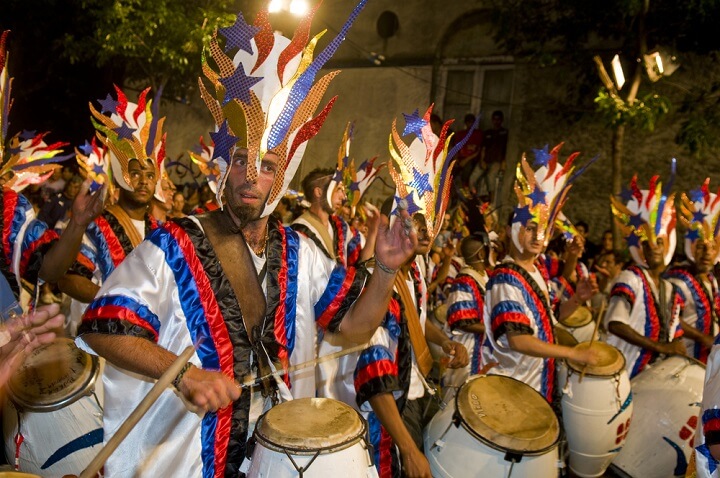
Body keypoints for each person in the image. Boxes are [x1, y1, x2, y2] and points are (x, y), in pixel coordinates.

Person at [74, 5, 416, 477]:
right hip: (190, 459)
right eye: (240, 160)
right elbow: (101, 325)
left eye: (269, 165)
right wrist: (184, 373)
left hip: (275, 455)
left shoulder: (301, 252)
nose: (252, 176)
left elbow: (353, 330)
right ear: (222, 166)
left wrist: (386, 269)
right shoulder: (176, 243)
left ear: (284, 176)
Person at [354, 105, 471, 478]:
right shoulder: (378, 278)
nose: (425, 231)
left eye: (431, 220)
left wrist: (441, 341)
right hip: (389, 414)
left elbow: (415, 321)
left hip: (419, 392)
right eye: (418, 220)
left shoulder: (418, 267)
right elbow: (372, 372)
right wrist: (407, 446)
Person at [482, 145, 598, 403]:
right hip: (509, 388)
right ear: (515, 229)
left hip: (532, 385)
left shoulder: (536, 270)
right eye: (530, 228)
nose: (538, 236)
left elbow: (550, 318)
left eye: (544, 229)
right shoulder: (505, 278)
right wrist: (572, 353)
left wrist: (576, 299)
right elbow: (518, 339)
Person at [605, 171, 686, 378]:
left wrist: (675, 348)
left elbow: (674, 334)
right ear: (642, 249)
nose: (655, 248)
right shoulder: (630, 278)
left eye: (659, 242)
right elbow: (615, 323)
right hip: (622, 372)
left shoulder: (670, 289)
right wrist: (660, 347)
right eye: (648, 244)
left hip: (652, 375)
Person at [665, 178, 720, 363]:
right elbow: (669, 316)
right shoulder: (677, 281)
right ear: (691, 248)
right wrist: (702, 338)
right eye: (701, 247)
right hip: (684, 359)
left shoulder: (711, 280)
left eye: (712, 248)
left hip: (708, 359)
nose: (707, 253)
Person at [444, 232, 491, 388]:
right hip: (469, 350)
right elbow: (461, 321)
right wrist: (495, 329)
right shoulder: (464, 280)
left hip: (484, 348)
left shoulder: (485, 276)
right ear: (482, 253)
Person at [478, 109, 508, 199]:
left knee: (490, 177)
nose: (496, 121)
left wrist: (503, 162)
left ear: (502, 120)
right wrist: (482, 161)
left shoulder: (505, 133)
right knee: (473, 178)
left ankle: (491, 199)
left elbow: (506, 150)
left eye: (498, 119)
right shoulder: (488, 133)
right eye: (494, 119)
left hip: (497, 161)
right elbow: (483, 148)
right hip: (486, 160)